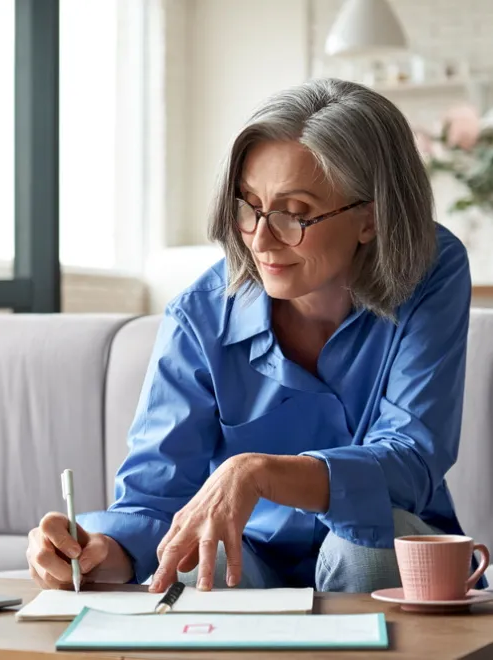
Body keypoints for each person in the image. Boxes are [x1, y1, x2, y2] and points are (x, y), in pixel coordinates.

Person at [26, 78, 478, 594]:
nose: (261, 240)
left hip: (380, 554)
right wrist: (102, 552)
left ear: (369, 221)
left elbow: (412, 457)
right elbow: (154, 500)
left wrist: (260, 472)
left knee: (366, 538)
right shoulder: (199, 315)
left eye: (294, 213)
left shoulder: (430, 269)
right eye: (248, 206)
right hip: (250, 558)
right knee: (202, 559)